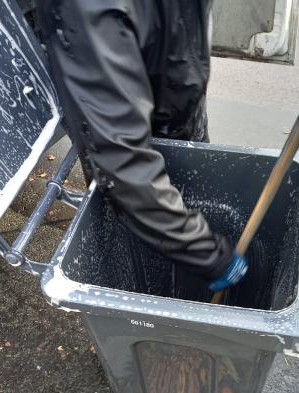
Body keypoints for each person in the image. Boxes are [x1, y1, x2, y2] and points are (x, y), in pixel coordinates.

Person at [38, 0, 247, 292]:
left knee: (170, 233)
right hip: (132, 153)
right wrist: (210, 257)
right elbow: (121, 161)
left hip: (180, 113)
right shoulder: (88, 10)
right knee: (137, 247)